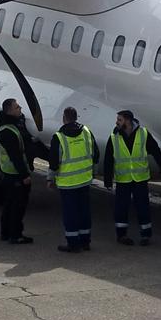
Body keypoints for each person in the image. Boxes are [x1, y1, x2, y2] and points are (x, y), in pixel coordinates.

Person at [102, 109, 161, 246]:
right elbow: (108, 160)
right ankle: (121, 235)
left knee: (143, 207)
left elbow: (155, 150)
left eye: (119, 120)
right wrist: (107, 179)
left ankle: (146, 235)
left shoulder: (143, 134)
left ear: (128, 121)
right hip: (123, 179)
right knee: (121, 209)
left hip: (140, 179)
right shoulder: (114, 136)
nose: (116, 122)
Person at [50, 107, 97, 253]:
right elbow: (96, 155)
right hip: (84, 180)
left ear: (64, 118)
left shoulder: (59, 137)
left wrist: (50, 179)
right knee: (84, 212)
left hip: (67, 183)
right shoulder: (87, 132)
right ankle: (85, 241)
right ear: (76, 117)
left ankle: (73, 243)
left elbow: (53, 162)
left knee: (70, 214)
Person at [0, 98, 40, 245]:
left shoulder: (8, 127)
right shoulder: (9, 132)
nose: (20, 109)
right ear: (9, 111)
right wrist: (25, 175)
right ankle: (15, 235)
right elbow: (16, 156)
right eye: (16, 107)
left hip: (9, 174)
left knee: (9, 204)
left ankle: (6, 233)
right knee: (17, 206)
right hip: (14, 175)